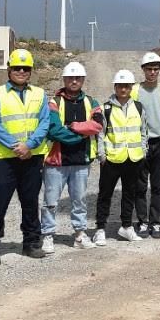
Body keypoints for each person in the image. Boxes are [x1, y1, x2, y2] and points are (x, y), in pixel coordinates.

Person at [0, 49, 51, 266]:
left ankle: (31, 243)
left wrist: (29, 145)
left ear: (30, 71)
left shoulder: (40, 94)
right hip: (4, 160)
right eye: (17, 68)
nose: (21, 71)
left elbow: (44, 123)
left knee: (30, 203)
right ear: (9, 69)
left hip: (32, 157)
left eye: (26, 68)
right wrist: (17, 146)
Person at [41, 61, 103, 253]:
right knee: (50, 201)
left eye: (77, 78)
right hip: (56, 161)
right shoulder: (54, 103)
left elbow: (97, 125)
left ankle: (79, 234)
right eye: (70, 78)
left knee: (79, 201)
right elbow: (53, 130)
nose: (74, 81)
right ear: (64, 79)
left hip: (81, 161)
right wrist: (80, 134)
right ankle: (48, 235)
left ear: (83, 80)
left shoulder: (91, 102)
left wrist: (73, 127)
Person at [95, 70, 148, 245]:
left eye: (127, 86)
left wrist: (142, 151)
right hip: (111, 160)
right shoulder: (106, 109)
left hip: (133, 159)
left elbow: (143, 132)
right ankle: (100, 229)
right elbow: (100, 134)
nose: (123, 89)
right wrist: (102, 156)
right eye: (120, 86)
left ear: (131, 87)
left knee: (129, 194)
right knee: (105, 194)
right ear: (115, 87)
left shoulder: (139, 107)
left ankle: (126, 226)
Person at [131, 51, 160, 239]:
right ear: (143, 70)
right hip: (141, 144)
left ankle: (155, 222)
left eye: (156, 69)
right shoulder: (134, 90)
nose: (153, 72)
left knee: (157, 186)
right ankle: (142, 221)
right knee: (140, 186)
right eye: (149, 69)